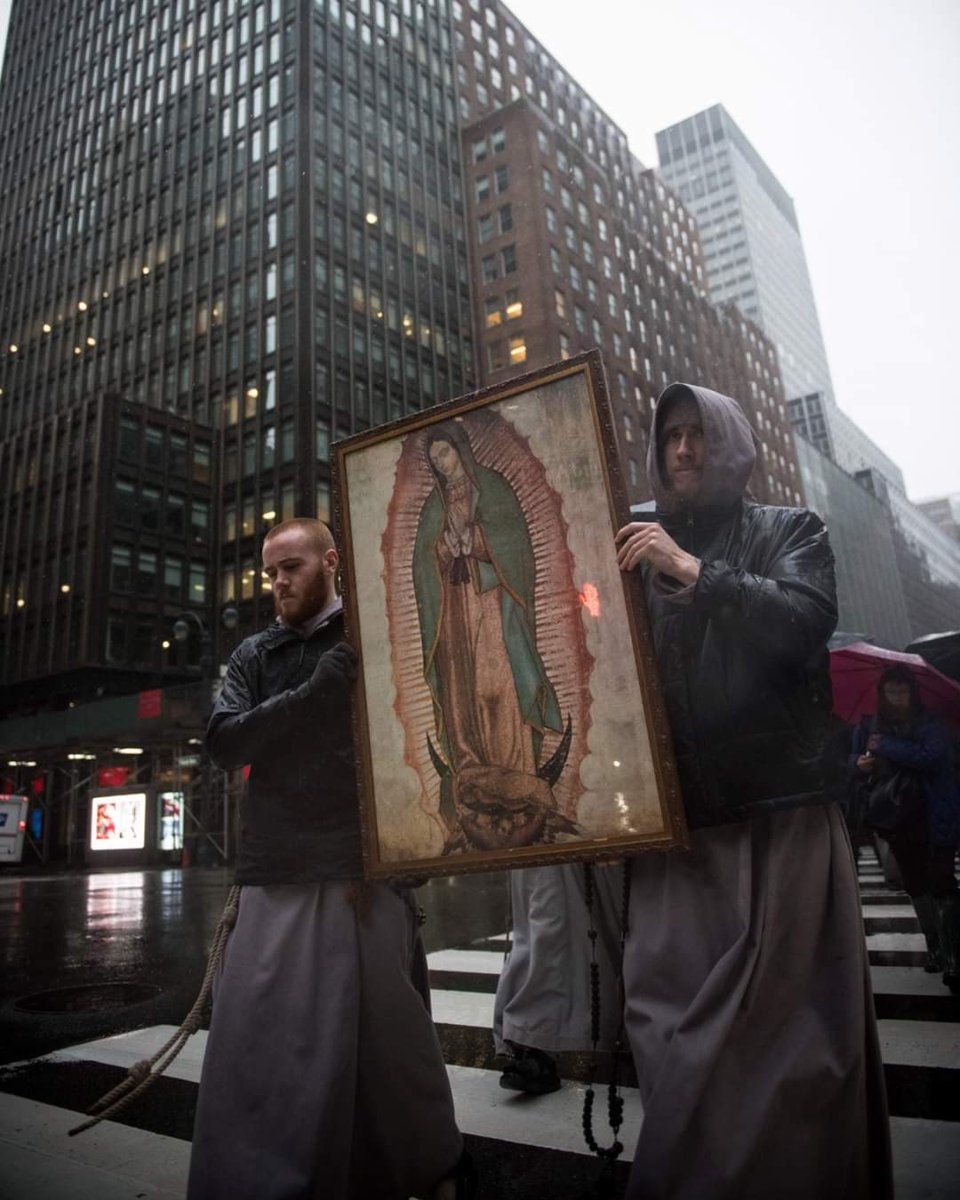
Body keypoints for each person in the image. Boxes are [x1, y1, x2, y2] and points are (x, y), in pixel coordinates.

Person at [615, 383, 893, 1200]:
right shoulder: (635, 545)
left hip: (781, 820)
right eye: (670, 439)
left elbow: (803, 619)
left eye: (700, 435)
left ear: (732, 444)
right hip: (680, 828)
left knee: (790, 1039)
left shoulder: (791, 529)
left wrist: (694, 572)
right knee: (667, 1025)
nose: (683, 451)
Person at [187, 518, 472, 1200]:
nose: (279, 582)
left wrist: (413, 850)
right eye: (271, 571)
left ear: (331, 561)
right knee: (260, 1043)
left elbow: (424, 740)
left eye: (291, 566)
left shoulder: (380, 637)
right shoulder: (256, 653)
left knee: (389, 1045)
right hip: (276, 871)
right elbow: (225, 739)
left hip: (364, 875)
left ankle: (418, 1168)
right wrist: (315, 692)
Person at [412, 420, 569, 853]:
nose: (441, 463)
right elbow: (423, 566)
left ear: (460, 449)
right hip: (456, 613)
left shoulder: (494, 488)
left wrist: (479, 540)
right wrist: (444, 548)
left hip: (493, 605)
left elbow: (516, 544)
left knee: (498, 684)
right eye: (434, 458)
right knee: (464, 693)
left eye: (444, 453)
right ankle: (472, 770)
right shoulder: (433, 507)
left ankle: (516, 773)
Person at [852, 664, 960, 991]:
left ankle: (955, 954)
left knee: (942, 882)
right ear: (883, 693)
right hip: (899, 818)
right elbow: (855, 759)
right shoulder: (872, 725)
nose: (897, 696)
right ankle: (935, 947)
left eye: (902, 690)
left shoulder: (930, 722)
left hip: (934, 813)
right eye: (891, 690)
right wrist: (861, 763)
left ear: (912, 692)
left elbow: (933, 755)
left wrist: (887, 746)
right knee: (915, 884)